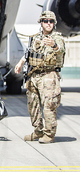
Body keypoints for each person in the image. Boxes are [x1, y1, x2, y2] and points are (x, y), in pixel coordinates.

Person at [15, 11, 65, 144]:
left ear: (54, 24)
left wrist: (54, 45)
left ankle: (49, 134)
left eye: (51, 21)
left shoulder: (57, 38)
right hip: (34, 76)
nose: (48, 23)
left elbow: (60, 49)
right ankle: (38, 131)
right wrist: (20, 64)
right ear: (41, 22)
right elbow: (29, 53)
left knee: (48, 105)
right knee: (33, 104)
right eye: (46, 21)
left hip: (49, 75)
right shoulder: (36, 37)